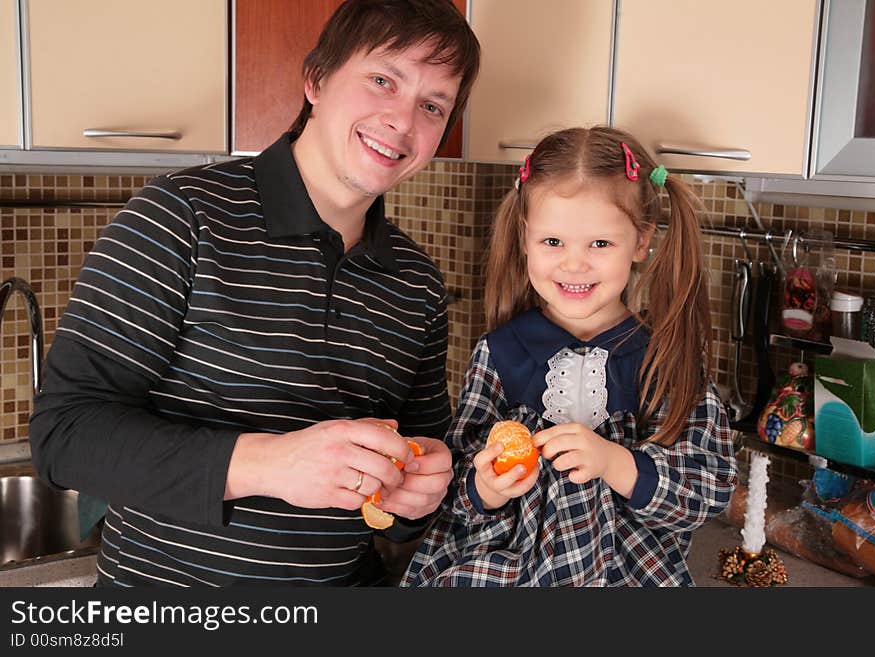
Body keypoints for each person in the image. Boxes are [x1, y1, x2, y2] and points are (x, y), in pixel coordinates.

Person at [28, 0, 480, 587]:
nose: (402, 120)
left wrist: (419, 493)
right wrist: (269, 463)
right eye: (381, 80)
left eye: (432, 105)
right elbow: (65, 436)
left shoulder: (415, 281)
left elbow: (412, 484)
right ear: (316, 79)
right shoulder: (182, 217)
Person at [401, 126, 738, 587]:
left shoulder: (665, 359)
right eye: (552, 242)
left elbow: (709, 487)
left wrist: (615, 462)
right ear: (524, 240)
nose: (574, 264)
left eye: (600, 244)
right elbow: (453, 486)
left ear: (640, 242)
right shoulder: (498, 354)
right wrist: (485, 487)